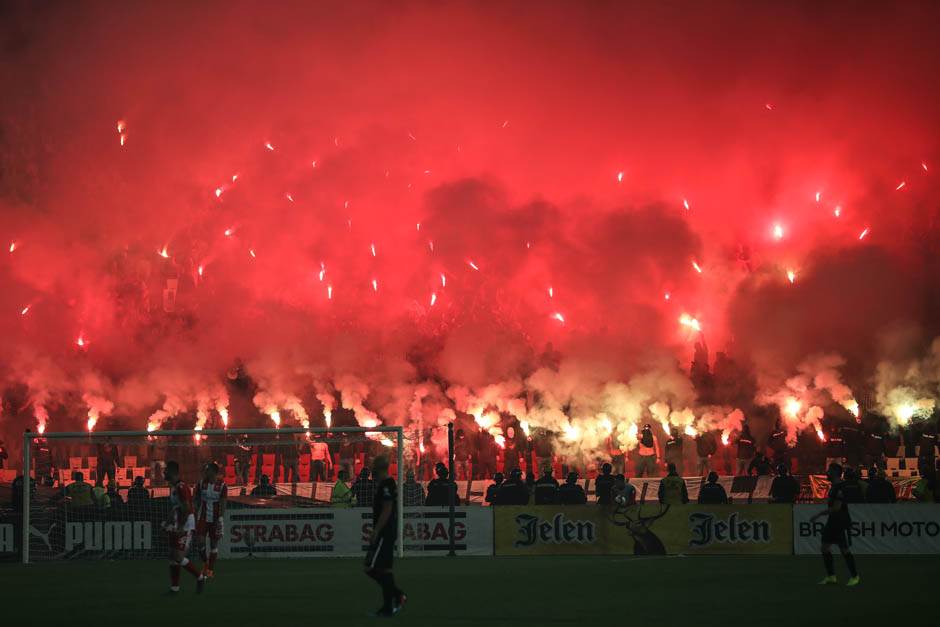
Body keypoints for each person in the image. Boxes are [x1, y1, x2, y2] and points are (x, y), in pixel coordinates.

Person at [364, 455, 406, 617]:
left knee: (378, 568)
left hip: (385, 532)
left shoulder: (387, 484)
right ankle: (397, 596)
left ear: (378, 468)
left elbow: (387, 509)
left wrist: (376, 530)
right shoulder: (384, 484)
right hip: (384, 532)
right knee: (373, 567)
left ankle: (389, 606)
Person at [811, 463, 860, 586]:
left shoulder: (840, 487)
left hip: (839, 521)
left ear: (834, 473)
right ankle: (831, 576)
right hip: (833, 521)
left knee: (843, 549)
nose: (827, 473)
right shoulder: (834, 486)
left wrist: (819, 515)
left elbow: (836, 508)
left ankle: (854, 576)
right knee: (825, 547)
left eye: (829, 471)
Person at [162, 460, 205, 594]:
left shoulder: (181, 487)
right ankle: (175, 588)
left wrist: (180, 526)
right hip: (178, 523)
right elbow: (176, 508)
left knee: (178, 556)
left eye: (166, 470)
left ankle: (200, 577)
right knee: (172, 556)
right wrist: (168, 522)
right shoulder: (174, 487)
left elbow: (187, 508)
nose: (164, 472)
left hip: (186, 524)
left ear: (173, 472)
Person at [193, 462, 227, 579]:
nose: (205, 472)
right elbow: (196, 499)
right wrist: (194, 513)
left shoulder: (222, 485)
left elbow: (223, 503)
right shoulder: (201, 483)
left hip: (215, 519)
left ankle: (210, 570)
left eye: (207, 470)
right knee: (200, 542)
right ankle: (205, 563)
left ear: (213, 472)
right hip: (202, 518)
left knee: (213, 544)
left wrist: (221, 518)